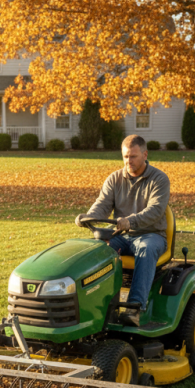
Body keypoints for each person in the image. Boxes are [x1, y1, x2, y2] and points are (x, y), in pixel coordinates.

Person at [75, 134, 170, 326]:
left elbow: (156, 211)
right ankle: (97, 304)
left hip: (151, 235)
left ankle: (134, 308)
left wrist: (131, 221)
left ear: (145, 154)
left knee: (146, 248)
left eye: (133, 156)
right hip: (120, 235)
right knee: (97, 250)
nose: (129, 161)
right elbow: (102, 205)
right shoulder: (115, 178)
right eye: (125, 156)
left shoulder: (159, 179)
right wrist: (88, 217)